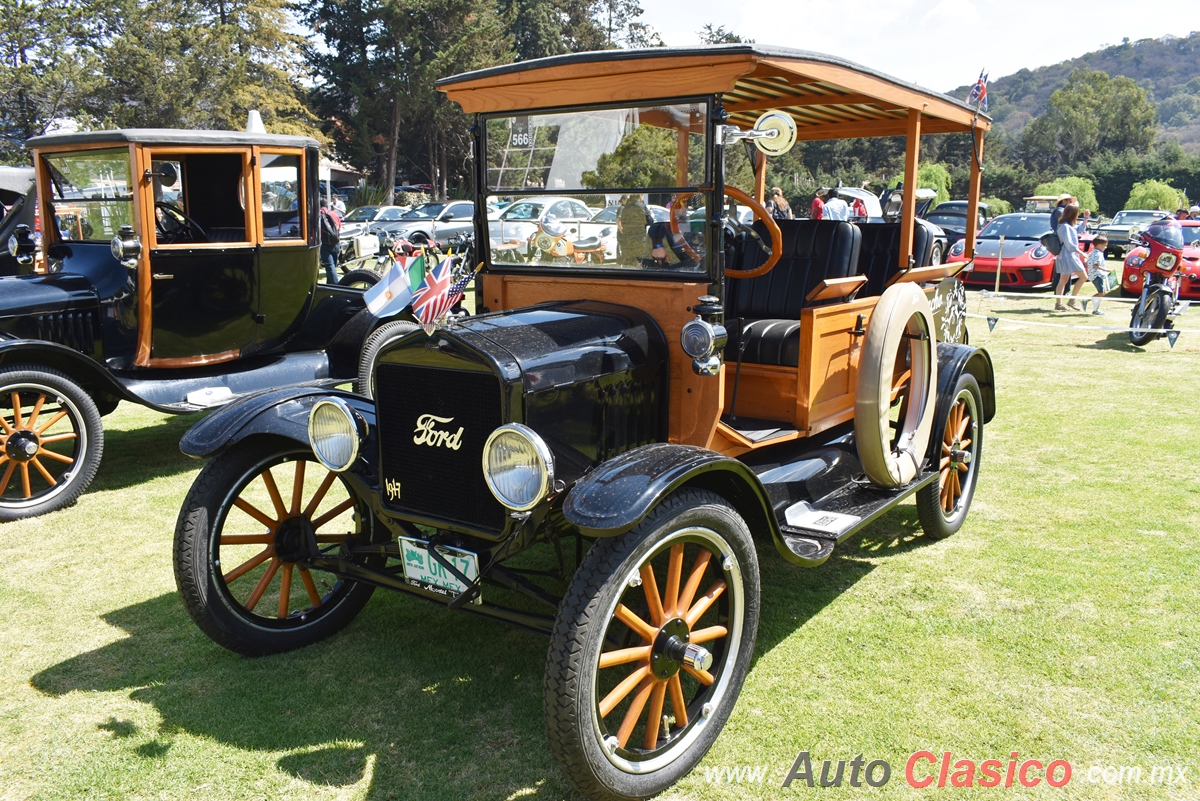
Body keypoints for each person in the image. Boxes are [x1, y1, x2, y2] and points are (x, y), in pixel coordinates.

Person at [1054, 204, 1087, 311]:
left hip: (1069, 256)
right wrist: (1082, 253)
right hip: (1067, 256)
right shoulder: (1064, 227)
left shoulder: (1067, 226)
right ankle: (1069, 301)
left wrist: (1086, 218)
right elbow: (1069, 245)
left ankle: (1062, 303)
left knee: (1064, 279)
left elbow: (1080, 229)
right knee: (1082, 277)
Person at [1084, 235, 1111, 315]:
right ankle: (1095, 309)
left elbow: (1087, 263)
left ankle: (1088, 302)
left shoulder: (1093, 252)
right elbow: (1096, 265)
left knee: (1102, 292)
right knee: (1101, 293)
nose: (1106, 247)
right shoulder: (1098, 254)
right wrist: (1107, 270)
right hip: (1096, 276)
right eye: (1105, 245)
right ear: (1099, 245)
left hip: (1094, 275)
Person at [318, 198, 341, 284]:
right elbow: (339, 227)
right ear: (327, 205)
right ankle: (330, 286)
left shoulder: (318, 215)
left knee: (330, 266)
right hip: (336, 242)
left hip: (325, 243)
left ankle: (337, 286)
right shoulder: (333, 214)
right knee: (333, 266)